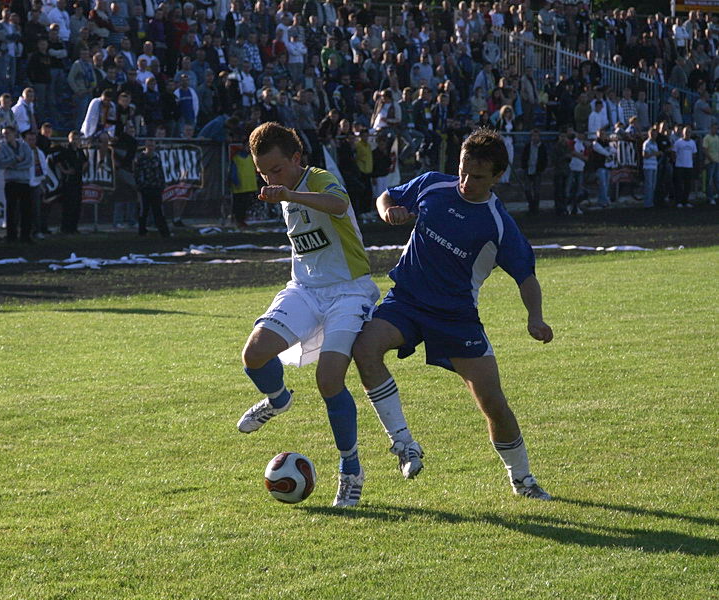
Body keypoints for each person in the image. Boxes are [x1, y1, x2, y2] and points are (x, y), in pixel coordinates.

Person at [351, 128, 554, 502]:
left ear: (496, 178)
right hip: (407, 301)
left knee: (493, 403)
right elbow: (387, 196)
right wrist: (389, 213)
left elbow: (526, 276)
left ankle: (523, 479)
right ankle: (404, 444)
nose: (465, 182)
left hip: (456, 318)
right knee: (364, 348)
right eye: (462, 171)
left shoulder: (498, 224)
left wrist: (535, 318)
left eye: (477, 177)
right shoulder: (433, 186)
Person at [235, 122, 380, 508]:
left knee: (329, 378)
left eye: (276, 169)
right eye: (262, 172)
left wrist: (290, 192)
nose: (269, 179)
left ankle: (351, 471)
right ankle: (278, 399)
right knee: (253, 355)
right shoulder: (283, 187)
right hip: (305, 289)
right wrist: (284, 190)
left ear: (297, 159)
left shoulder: (318, 179)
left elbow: (340, 205)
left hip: (349, 289)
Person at [0, 126, 34, 242]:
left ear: (14, 134)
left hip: (24, 181)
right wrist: (16, 160)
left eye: (7, 133)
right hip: (11, 182)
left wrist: (13, 165)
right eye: (4, 134)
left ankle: (25, 235)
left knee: (26, 210)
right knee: (11, 210)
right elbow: (1, 163)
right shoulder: (2, 147)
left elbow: (29, 162)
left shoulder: (24, 146)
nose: (6, 136)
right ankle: (11, 235)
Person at [134, 138, 170, 237]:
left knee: (158, 211)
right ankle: (142, 232)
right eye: (149, 145)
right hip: (144, 188)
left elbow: (160, 172)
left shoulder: (157, 157)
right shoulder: (140, 158)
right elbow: (137, 174)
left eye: (152, 145)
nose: (151, 148)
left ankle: (164, 232)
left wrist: (162, 184)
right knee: (143, 211)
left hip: (156, 188)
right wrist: (139, 187)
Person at [520, 129, 547, 215]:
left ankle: (535, 209)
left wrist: (541, 168)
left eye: (536, 136)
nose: (535, 138)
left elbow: (544, 159)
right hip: (528, 169)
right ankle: (532, 206)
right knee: (527, 189)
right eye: (533, 136)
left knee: (536, 191)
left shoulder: (542, 147)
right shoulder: (528, 146)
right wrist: (524, 166)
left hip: (537, 170)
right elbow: (524, 156)